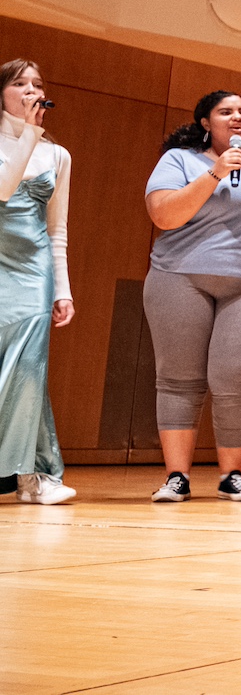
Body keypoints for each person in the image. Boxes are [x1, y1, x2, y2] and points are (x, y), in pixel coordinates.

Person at [142, 90, 241, 502]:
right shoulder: (179, 159)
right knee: (179, 379)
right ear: (206, 123)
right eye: (226, 112)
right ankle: (177, 477)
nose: (238, 117)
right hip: (179, 278)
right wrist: (214, 173)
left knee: (238, 381)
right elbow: (163, 215)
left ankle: (232, 476)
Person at [0, 59, 76, 505]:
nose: (31, 91)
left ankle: (33, 476)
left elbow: (57, 228)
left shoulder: (57, 154)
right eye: (20, 83)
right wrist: (27, 133)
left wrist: (62, 287)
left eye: (38, 85)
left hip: (32, 272)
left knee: (28, 370)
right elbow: (4, 188)